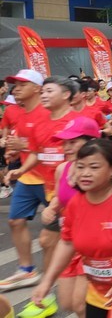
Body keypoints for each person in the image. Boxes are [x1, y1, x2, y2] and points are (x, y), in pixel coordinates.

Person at [31, 139, 112, 317]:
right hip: (97, 295)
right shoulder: (76, 203)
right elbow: (67, 242)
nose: (85, 173)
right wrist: (47, 281)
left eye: (94, 167)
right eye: (80, 167)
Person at [32, 117, 100, 318]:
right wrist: (51, 208)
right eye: (65, 142)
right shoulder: (63, 169)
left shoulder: (104, 172)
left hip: (94, 246)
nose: (66, 147)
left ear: (90, 143)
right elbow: (60, 197)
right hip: (69, 240)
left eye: (73, 142)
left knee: (82, 305)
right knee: (68, 302)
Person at [0, 70, 50, 292]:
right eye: (15, 84)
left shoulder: (49, 113)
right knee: (15, 221)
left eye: (22, 84)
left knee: (58, 233)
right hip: (28, 176)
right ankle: (27, 269)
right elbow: (22, 144)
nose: (16, 88)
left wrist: (24, 148)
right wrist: (13, 153)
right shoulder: (17, 113)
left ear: (37, 88)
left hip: (52, 180)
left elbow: (52, 150)